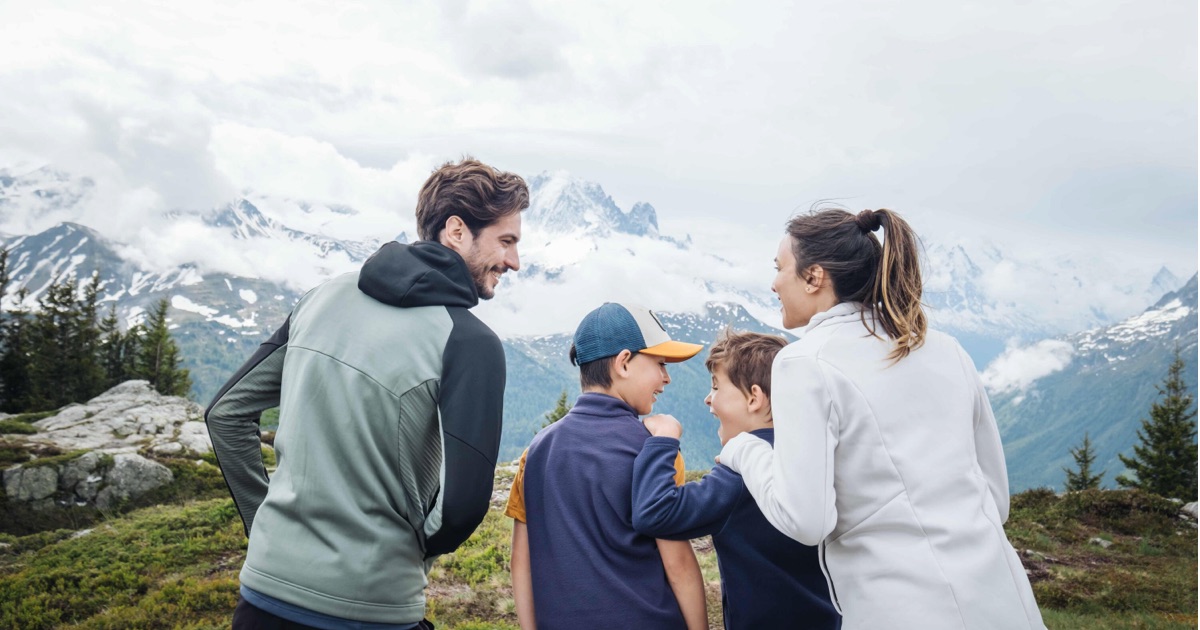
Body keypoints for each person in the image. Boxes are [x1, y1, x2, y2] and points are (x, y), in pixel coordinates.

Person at [205, 158, 527, 629]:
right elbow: (459, 511)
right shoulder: (469, 343)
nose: (515, 261)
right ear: (457, 231)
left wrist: (267, 529)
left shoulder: (322, 296)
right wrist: (402, 554)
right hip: (370, 609)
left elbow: (225, 414)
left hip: (263, 598)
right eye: (507, 241)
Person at [717, 208, 1046, 629]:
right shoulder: (947, 349)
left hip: (899, 608)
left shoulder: (803, 362)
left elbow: (806, 520)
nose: (774, 283)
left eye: (779, 268)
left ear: (814, 277)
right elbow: (996, 502)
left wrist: (744, 449)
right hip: (1004, 600)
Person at [505, 302, 708, 630]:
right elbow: (679, 565)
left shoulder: (536, 452)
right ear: (624, 363)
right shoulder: (656, 449)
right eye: (659, 363)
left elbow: (521, 562)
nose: (667, 378)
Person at [634, 329, 841, 630]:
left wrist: (663, 442)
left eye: (716, 387)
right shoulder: (813, 462)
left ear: (754, 398)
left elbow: (655, 513)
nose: (708, 399)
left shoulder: (740, 478)